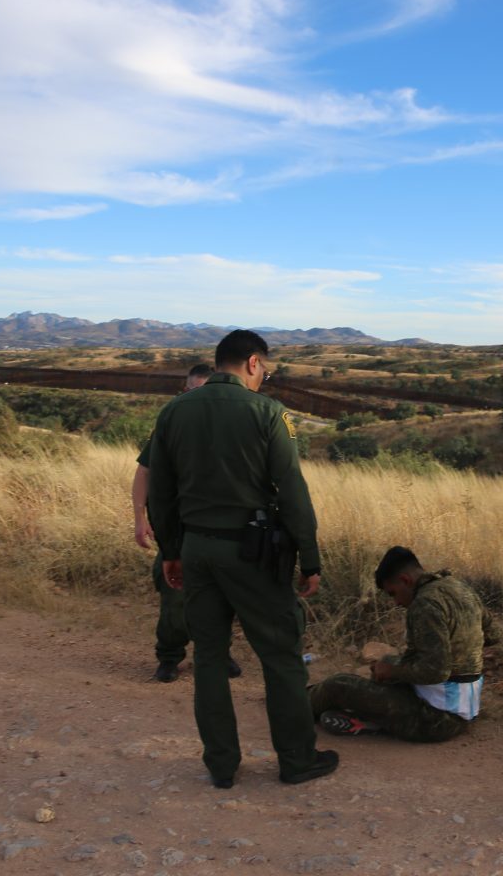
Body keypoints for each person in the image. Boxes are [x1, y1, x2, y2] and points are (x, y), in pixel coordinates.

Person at [146, 329, 337, 788]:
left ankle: (221, 765)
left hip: (196, 550)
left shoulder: (173, 412)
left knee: (209, 658)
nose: (264, 378)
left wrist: (171, 552)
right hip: (253, 554)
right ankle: (296, 760)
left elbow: (160, 494)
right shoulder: (268, 413)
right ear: (253, 362)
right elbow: (293, 492)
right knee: (281, 656)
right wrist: (309, 559)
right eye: (265, 370)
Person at [308, 545, 491, 741]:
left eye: (393, 593)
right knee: (389, 661)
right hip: (466, 708)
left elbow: (437, 670)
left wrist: (392, 671)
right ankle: (367, 719)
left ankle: (293, 706)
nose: (396, 603)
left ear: (405, 580)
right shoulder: (457, 587)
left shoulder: (424, 604)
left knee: (339, 684)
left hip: (437, 720)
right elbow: (491, 634)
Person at [133, 363, 241, 683]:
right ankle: (169, 657)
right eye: (192, 392)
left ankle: (218, 653)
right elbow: (144, 473)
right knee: (176, 597)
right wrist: (140, 518)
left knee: (222, 598)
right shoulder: (171, 425)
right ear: (184, 392)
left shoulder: (234, 428)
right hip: (180, 529)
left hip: (223, 529)